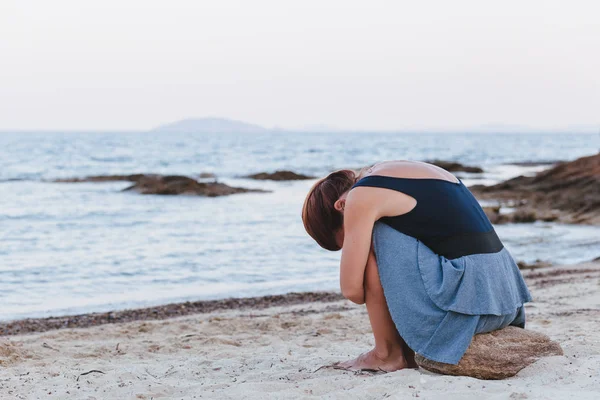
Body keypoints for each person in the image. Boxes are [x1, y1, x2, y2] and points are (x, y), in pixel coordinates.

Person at [301, 160, 532, 372]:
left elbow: (352, 290)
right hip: (506, 303)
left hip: (468, 311)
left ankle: (387, 354)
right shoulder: (399, 172)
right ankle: (398, 350)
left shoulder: (359, 198)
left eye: (347, 239)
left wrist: (365, 264)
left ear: (340, 206)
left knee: (373, 234)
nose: (352, 246)